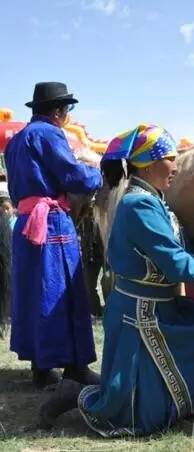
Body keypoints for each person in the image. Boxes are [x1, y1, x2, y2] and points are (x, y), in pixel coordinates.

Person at [40, 124, 194, 436]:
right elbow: (175, 264)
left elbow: (180, 245)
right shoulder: (138, 204)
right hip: (140, 316)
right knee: (139, 418)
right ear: (149, 164)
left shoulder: (154, 200)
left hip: (159, 307)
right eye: (170, 158)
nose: (177, 165)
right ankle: (74, 394)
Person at [4, 82, 102, 389]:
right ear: (59, 112)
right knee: (63, 290)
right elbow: (72, 175)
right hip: (51, 223)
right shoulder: (48, 133)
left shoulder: (17, 141)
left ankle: (41, 367)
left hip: (25, 223)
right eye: (67, 110)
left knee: (33, 292)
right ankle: (75, 367)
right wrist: (99, 173)